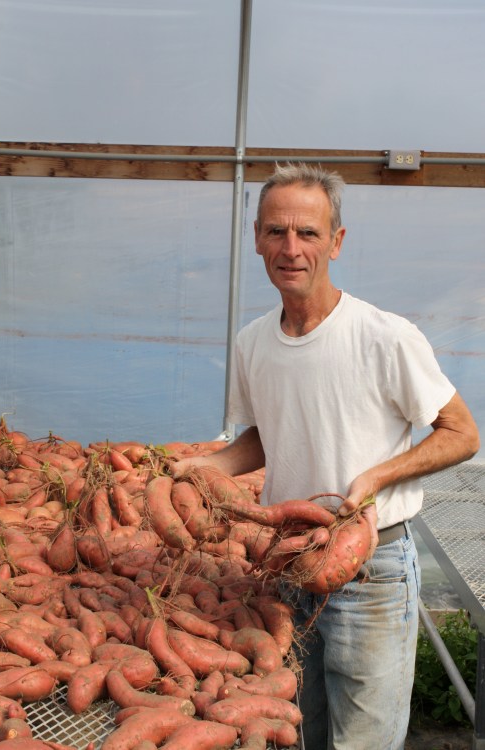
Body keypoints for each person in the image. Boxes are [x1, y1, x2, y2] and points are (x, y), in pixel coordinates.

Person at [172, 162, 480, 750]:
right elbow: (266, 435)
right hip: (287, 565)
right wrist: (206, 468)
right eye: (276, 232)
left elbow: (462, 433)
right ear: (257, 238)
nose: (291, 248)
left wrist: (374, 477)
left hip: (371, 569)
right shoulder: (252, 342)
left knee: (362, 741)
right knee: (301, 729)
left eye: (308, 233)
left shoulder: (384, 336)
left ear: (336, 242)